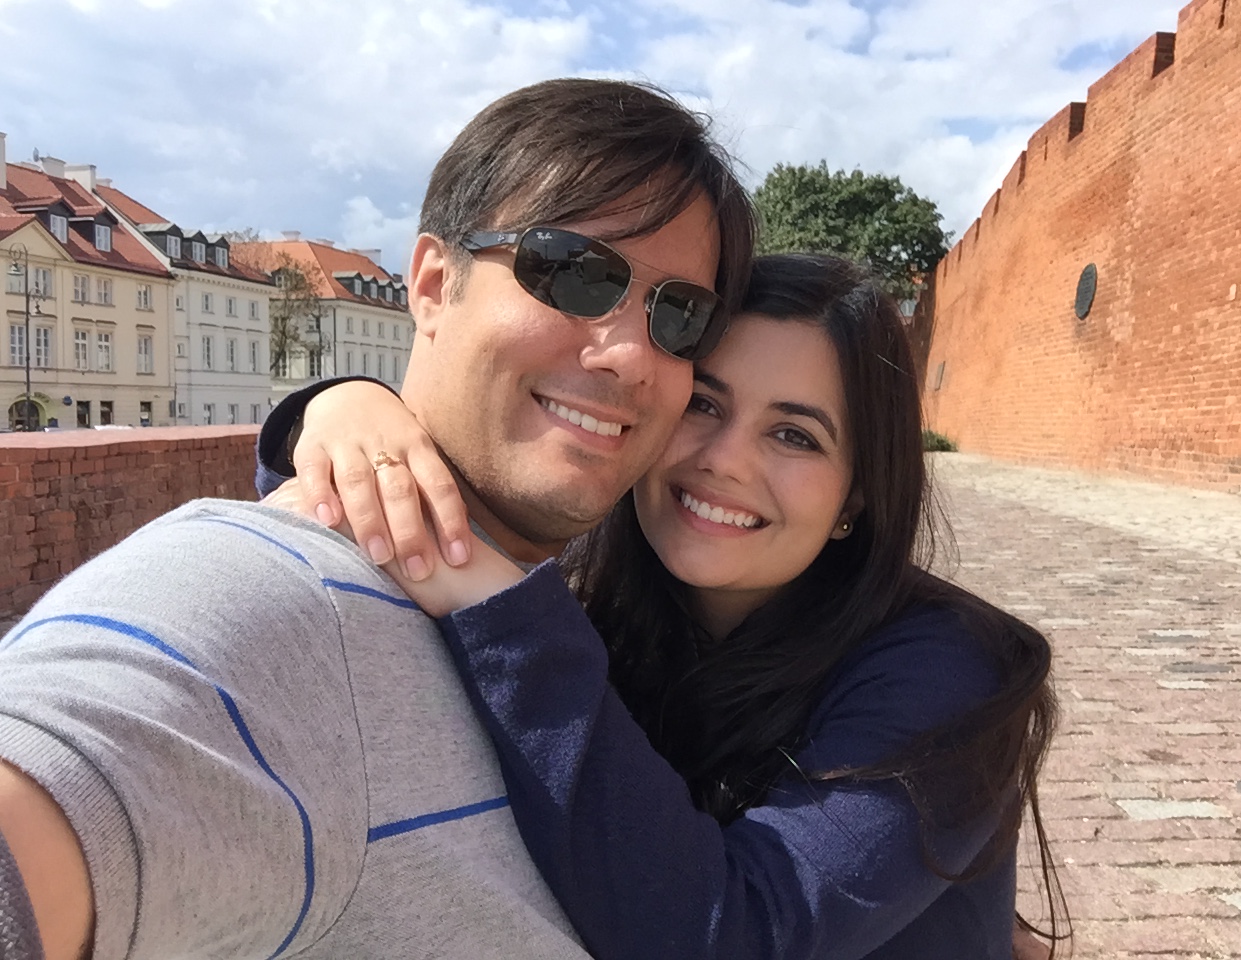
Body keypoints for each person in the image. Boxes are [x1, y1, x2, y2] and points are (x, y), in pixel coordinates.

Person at [0, 77, 755, 960]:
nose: (630, 355)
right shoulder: (274, 602)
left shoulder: (608, 588)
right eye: (577, 272)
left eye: (681, 315)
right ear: (432, 284)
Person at [256, 254, 1069, 959]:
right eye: (704, 405)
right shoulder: (615, 589)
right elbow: (317, 513)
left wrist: (485, 594)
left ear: (854, 496)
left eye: (795, 436)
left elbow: (731, 937)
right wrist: (340, 409)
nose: (724, 461)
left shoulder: (953, 671)